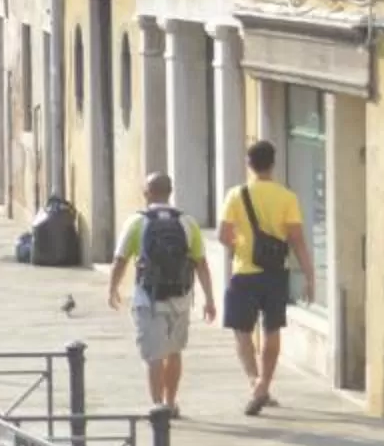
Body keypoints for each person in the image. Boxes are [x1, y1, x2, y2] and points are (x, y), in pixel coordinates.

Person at [219, 138, 317, 416]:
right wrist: (310, 275)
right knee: (272, 329)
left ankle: (255, 382)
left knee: (242, 331)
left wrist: (241, 244)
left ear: (248, 164)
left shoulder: (236, 195)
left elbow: (224, 235)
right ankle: (264, 384)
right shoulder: (287, 197)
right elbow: (297, 240)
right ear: (273, 164)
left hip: (244, 272)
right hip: (275, 273)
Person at [106, 171, 217, 412]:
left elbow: (120, 260)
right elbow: (201, 264)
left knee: (154, 356)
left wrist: (112, 289)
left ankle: (158, 408)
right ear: (170, 192)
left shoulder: (137, 222)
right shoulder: (188, 222)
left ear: (146, 193)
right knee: (174, 352)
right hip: (181, 298)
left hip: (149, 299)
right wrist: (209, 299)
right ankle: (171, 401)